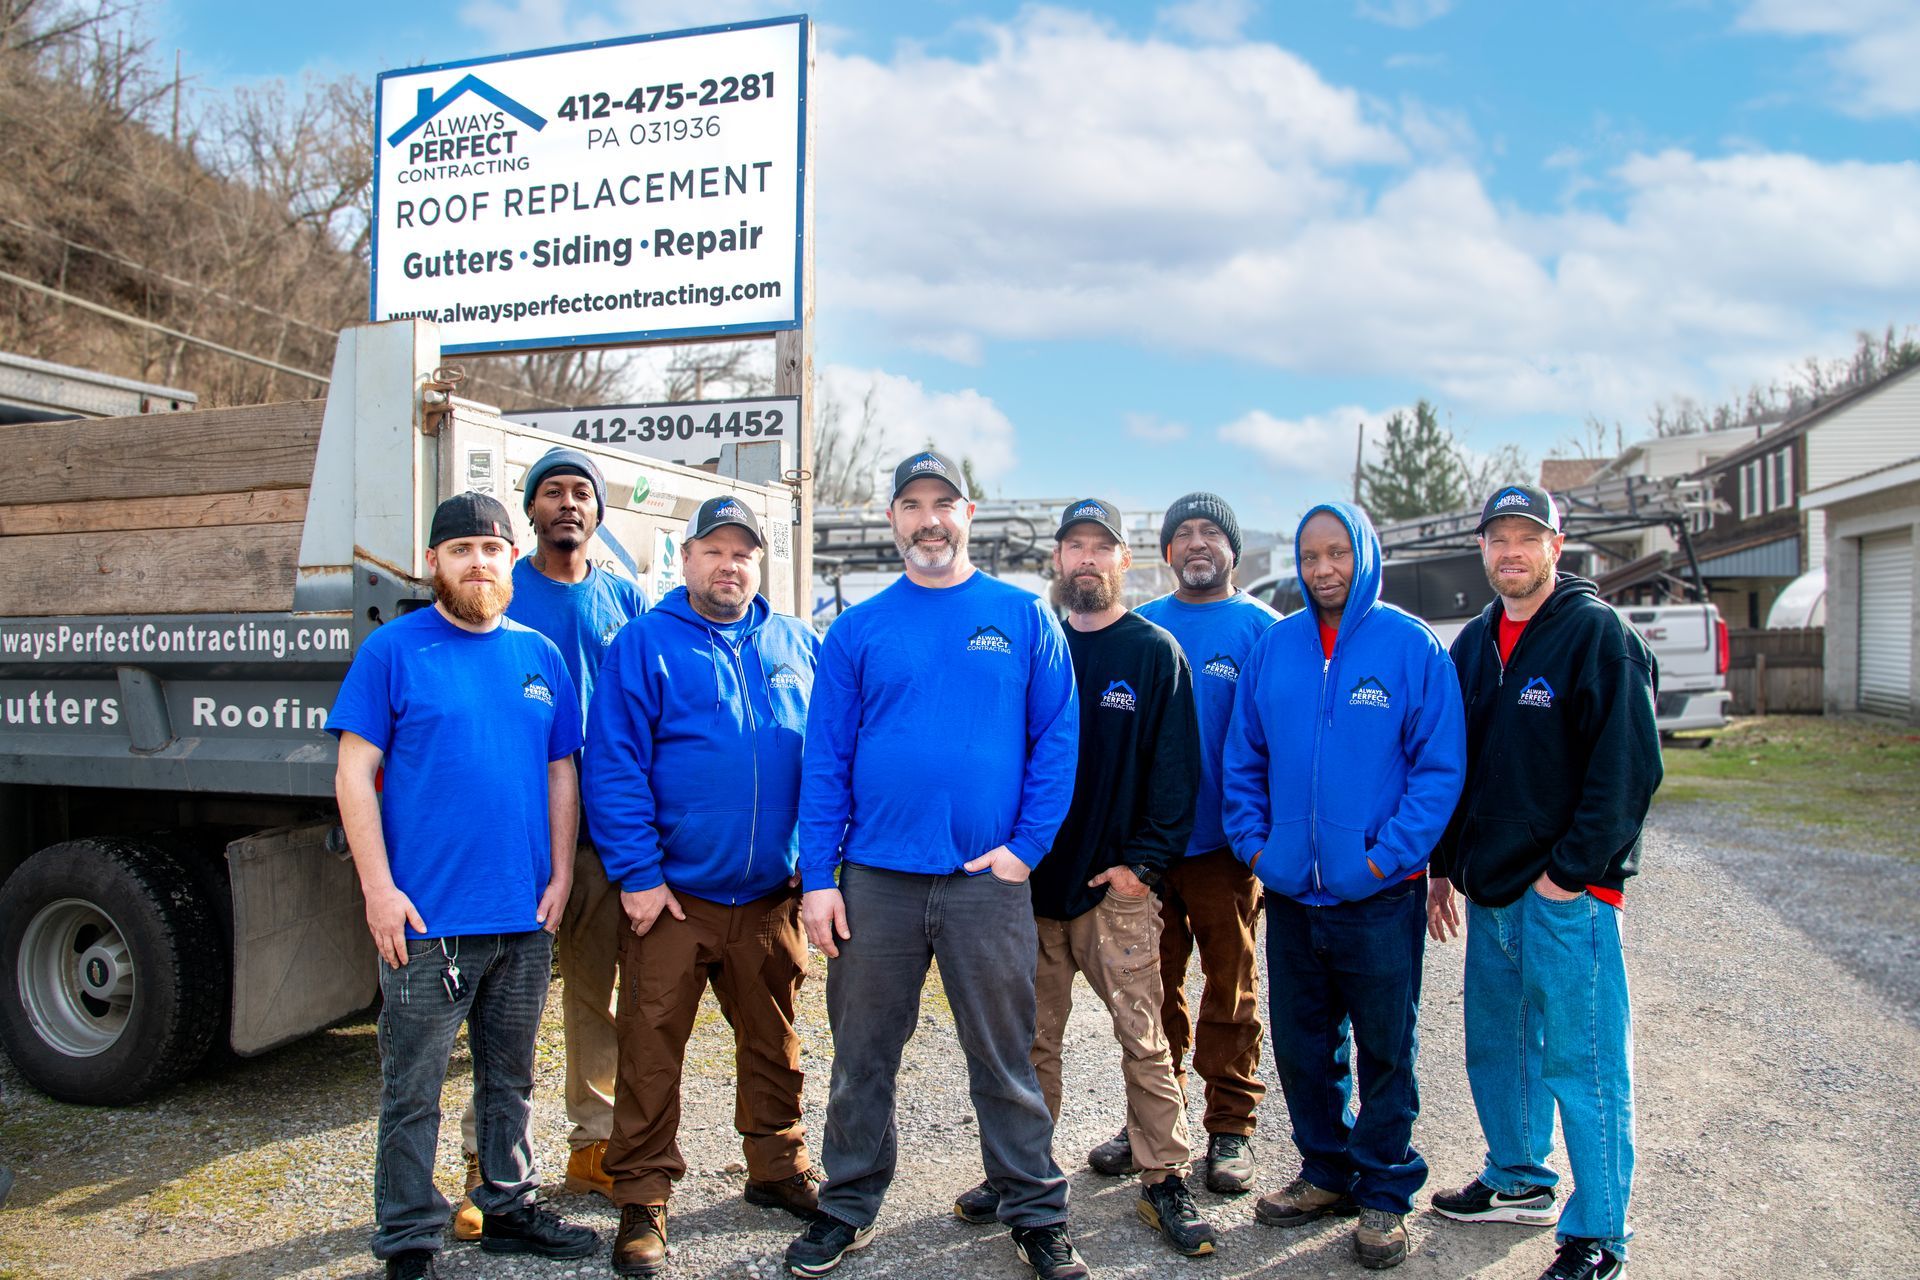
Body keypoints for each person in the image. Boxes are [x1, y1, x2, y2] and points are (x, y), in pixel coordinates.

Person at [784, 451, 1088, 1280]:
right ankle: (846, 1205)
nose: (929, 518)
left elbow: (1056, 744)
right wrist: (818, 879)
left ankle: (1034, 1210)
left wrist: (1025, 850)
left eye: (943, 503)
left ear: (970, 512)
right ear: (893, 520)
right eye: (912, 504)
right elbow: (826, 761)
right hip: (875, 880)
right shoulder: (857, 631)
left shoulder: (1023, 618)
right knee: (863, 1056)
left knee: (1004, 1056)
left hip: (985, 883)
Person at [330, 492, 597, 1280]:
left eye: (490, 547)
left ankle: (508, 1205)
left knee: (509, 1077)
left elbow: (560, 770)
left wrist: (560, 873)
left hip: (521, 914)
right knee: (412, 1089)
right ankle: (409, 1233)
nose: (478, 562)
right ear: (433, 564)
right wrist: (378, 890)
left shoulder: (539, 656)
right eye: (461, 550)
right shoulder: (394, 652)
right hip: (425, 919)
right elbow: (353, 775)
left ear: (511, 560)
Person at [952, 498, 1213, 1257]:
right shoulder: (1038, 645)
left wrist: (1143, 868)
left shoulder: (1153, 652)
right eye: (1075, 547)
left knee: (1144, 1037)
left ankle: (1163, 1180)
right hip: (1030, 893)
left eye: (1103, 547)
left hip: (1115, 895)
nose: (1087, 560)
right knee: (1030, 1046)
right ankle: (1021, 1175)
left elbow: (1176, 775)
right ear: (1057, 562)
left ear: (1126, 560)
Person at [1223, 502, 1465, 1271]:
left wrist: (1382, 860)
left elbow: (1437, 771)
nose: (1323, 569)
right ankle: (1325, 1172)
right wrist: (1261, 850)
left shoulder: (1410, 647)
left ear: (1363, 554)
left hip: (1378, 896)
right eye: (1311, 555)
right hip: (1294, 894)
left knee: (1387, 1048)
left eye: (1338, 553)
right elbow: (1243, 760)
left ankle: (1385, 1192)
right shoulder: (1276, 646)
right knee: (1302, 1045)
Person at [1427, 483, 1660, 1280]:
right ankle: (1519, 1178)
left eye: (1529, 537)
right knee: (1499, 1049)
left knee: (1583, 1063)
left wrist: (1570, 875)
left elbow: (1628, 771)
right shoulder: (1473, 645)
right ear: (1484, 550)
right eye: (1499, 538)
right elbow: (1452, 768)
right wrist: (1442, 868)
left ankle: (1599, 1234)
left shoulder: (1598, 637)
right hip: (1489, 891)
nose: (1512, 551)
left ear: (1556, 547)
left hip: (1568, 899)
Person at [585, 496, 822, 1276]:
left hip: (769, 897)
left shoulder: (795, 643)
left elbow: (827, 762)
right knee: (651, 1052)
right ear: (685, 559)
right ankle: (643, 1197)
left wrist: (817, 866)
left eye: (744, 553)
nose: (730, 566)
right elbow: (612, 765)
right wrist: (640, 877)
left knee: (775, 1042)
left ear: (761, 563)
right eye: (714, 551)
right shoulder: (646, 644)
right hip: (674, 902)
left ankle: (778, 1167)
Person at [449, 447, 650, 1237]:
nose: (567, 504)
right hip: (514, 835)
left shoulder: (625, 600)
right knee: (501, 1010)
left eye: (581, 494)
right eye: (552, 493)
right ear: (528, 511)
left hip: (603, 834)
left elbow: (641, 714)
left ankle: (593, 1146)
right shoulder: (503, 591)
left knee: (596, 997)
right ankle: (485, 1161)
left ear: (599, 513)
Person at [1133, 492, 1279, 1194]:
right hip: (1151, 852)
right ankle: (1160, 1122)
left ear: (1233, 549)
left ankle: (1231, 1128)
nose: (1196, 543)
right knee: (1149, 991)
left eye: (1210, 532)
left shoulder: (1265, 630)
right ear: (1166, 552)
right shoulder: (1140, 629)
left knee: (1231, 989)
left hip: (1229, 847)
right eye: (1183, 533)